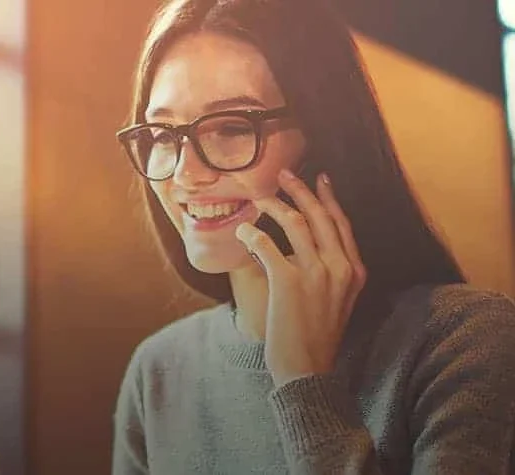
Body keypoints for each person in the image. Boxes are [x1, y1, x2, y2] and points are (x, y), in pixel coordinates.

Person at [111, 0, 515, 473]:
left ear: (325, 141)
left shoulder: (463, 339)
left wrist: (305, 385)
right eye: (163, 134)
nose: (187, 173)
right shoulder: (158, 371)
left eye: (233, 128)